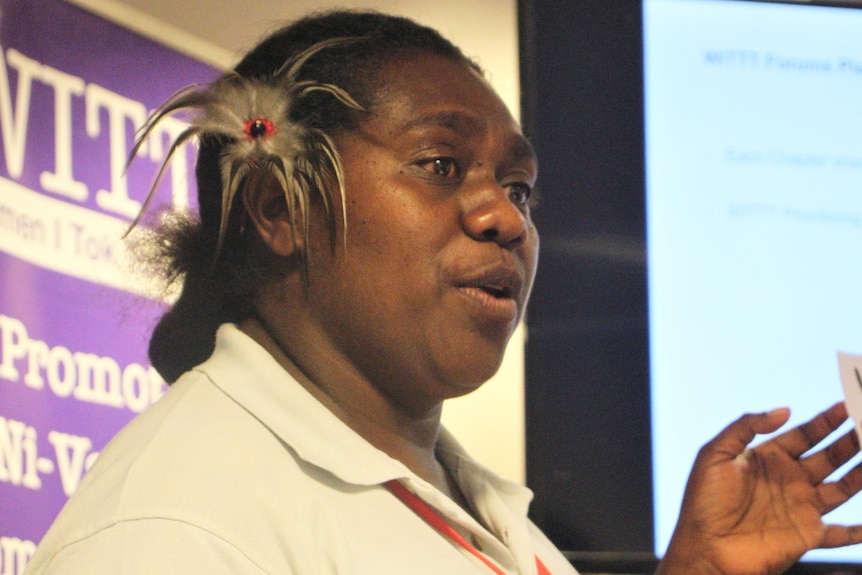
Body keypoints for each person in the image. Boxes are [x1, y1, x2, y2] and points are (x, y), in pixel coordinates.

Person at [23, 10, 862, 575]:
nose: (506, 217)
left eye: (521, 188)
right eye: (440, 165)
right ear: (280, 209)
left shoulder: (487, 510)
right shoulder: (175, 532)